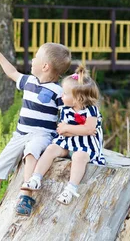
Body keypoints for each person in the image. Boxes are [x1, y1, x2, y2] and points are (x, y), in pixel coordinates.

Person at [0, 38, 71, 222]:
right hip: (20, 134)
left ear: (45, 66)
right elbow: (11, 72)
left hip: (42, 135)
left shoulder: (58, 92)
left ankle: (26, 196)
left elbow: (68, 114)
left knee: (31, 154)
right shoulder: (28, 81)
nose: (32, 60)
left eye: (36, 57)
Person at [20, 65, 105, 205]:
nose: (61, 96)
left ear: (78, 99)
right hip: (68, 142)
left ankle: (70, 189)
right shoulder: (65, 109)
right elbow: (61, 130)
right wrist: (77, 129)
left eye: (65, 93)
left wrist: (72, 128)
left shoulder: (91, 110)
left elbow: (89, 130)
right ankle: (35, 178)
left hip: (86, 146)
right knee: (51, 149)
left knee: (79, 156)